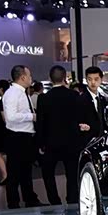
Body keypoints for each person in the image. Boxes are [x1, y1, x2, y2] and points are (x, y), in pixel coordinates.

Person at [36, 65, 82, 205]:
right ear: (64, 78)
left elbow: (40, 123)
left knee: (48, 173)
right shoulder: (74, 96)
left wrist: (40, 143)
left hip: (51, 142)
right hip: (71, 142)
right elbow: (78, 118)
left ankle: (54, 201)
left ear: (50, 79)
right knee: (72, 173)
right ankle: (72, 200)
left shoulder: (43, 98)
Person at [2, 65, 42, 209]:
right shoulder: (12, 93)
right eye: (29, 75)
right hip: (17, 137)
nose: (31, 78)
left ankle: (30, 198)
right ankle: (13, 202)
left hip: (25, 137)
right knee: (14, 172)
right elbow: (11, 117)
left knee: (26, 170)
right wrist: (31, 116)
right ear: (23, 77)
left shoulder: (22, 93)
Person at [79, 66, 108, 146]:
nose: (93, 82)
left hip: (102, 141)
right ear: (86, 80)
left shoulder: (103, 99)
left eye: (96, 79)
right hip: (87, 142)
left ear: (101, 80)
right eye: (89, 79)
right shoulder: (80, 100)